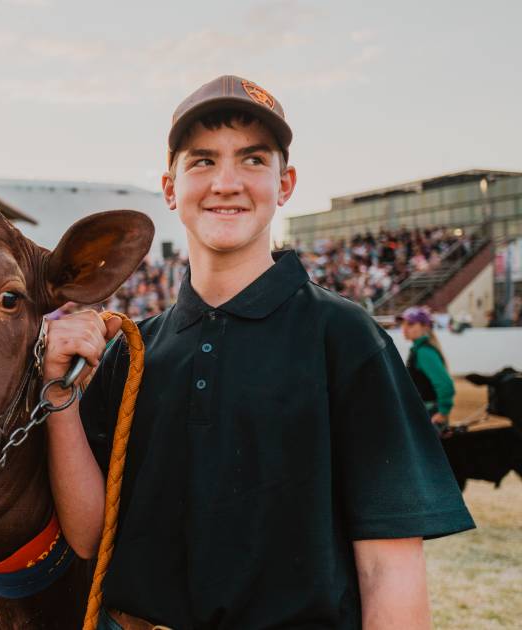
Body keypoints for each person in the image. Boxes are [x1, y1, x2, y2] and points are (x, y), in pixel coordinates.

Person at [45, 75, 474, 628]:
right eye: (202, 161)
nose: (226, 182)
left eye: (252, 160)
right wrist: (57, 396)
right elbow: (89, 538)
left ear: (285, 183)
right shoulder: (131, 350)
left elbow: (389, 569)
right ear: (170, 188)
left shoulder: (343, 336)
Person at [399, 306, 456, 428]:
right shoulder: (419, 349)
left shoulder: (423, 352)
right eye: (403, 323)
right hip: (425, 410)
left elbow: (445, 384)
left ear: (424, 326)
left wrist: (443, 412)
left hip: (429, 412)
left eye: (410, 324)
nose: (404, 328)